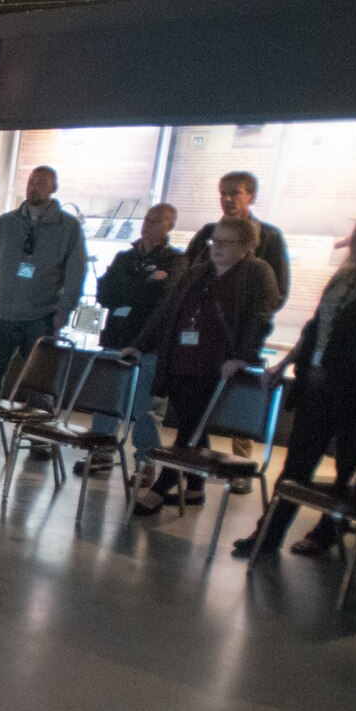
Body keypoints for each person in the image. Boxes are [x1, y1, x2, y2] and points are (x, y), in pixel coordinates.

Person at [232, 213, 356, 558]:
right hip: (319, 384)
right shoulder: (345, 278)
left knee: (349, 467)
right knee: (297, 464)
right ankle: (269, 532)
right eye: (355, 235)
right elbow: (315, 327)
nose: (355, 242)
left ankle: (327, 531)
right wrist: (286, 362)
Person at [126, 216, 283, 515]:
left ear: (247, 246)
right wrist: (140, 343)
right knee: (192, 425)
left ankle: (163, 486)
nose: (217, 248)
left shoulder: (257, 273)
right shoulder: (198, 272)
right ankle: (195, 489)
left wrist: (244, 356)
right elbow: (167, 311)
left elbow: (260, 317)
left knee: (191, 430)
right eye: (215, 241)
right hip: (182, 361)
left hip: (218, 367)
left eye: (226, 243)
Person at [0, 165, 87, 447]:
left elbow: (76, 273)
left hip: (41, 317)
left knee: (40, 384)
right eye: (30, 182)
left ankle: (41, 439)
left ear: (53, 189)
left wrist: (64, 310)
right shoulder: (5, 224)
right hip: (2, 315)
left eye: (41, 183)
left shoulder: (68, 228)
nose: (33, 187)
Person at [180, 171, 288, 485]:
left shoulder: (268, 237)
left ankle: (239, 468)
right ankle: (194, 473)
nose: (228, 199)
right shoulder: (208, 233)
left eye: (236, 193)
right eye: (223, 192)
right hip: (202, 338)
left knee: (238, 403)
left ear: (250, 196)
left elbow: (276, 291)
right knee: (194, 410)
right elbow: (188, 276)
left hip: (239, 338)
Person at [81, 203, 184, 475]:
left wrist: (129, 287)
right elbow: (105, 293)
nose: (148, 225)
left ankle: (146, 462)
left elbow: (164, 298)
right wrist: (145, 282)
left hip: (149, 343)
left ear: (169, 226)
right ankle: (102, 451)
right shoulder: (124, 257)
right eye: (147, 219)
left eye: (156, 221)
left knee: (145, 408)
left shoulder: (175, 260)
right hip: (116, 337)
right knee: (107, 399)